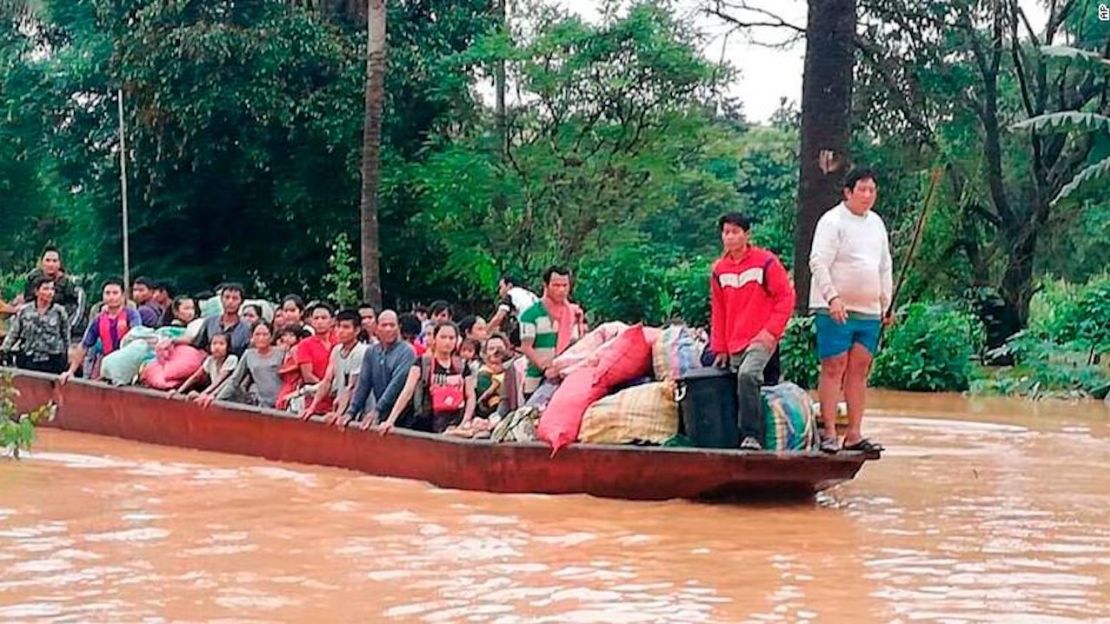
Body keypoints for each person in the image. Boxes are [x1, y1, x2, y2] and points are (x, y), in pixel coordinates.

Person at [809, 167, 892, 454]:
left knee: (859, 368)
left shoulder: (877, 224)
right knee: (834, 366)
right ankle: (830, 432)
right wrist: (832, 297)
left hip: (869, 310)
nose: (868, 195)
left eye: (872, 190)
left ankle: (855, 433)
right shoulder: (832, 221)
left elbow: (884, 266)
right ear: (848, 192)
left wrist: (887, 302)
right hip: (835, 307)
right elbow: (818, 261)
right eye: (862, 190)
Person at [709, 213, 796, 451]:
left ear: (747, 235)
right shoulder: (719, 270)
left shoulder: (766, 262)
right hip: (734, 340)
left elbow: (786, 298)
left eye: (735, 232)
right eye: (726, 232)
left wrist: (771, 332)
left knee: (747, 375)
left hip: (761, 337)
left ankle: (752, 435)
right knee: (732, 384)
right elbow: (719, 311)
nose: (730, 237)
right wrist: (720, 348)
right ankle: (736, 437)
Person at [383, 321, 476, 434]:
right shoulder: (422, 363)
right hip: (427, 423)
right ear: (435, 339)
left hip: (455, 422)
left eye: (451, 338)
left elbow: (470, 395)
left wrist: (465, 421)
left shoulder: (461, 365)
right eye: (443, 337)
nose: (447, 342)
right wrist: (390, 420)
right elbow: (407, 391)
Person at [344, 310, 417, 430]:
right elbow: (363, 383)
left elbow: (396, 384)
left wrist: (377, 409)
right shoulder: (371, 352)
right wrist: (351, 412)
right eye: (384, 325)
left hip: (405, 416)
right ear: (377, 328)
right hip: (382, 414)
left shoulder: (407, 351)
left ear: (399, 327)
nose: (388, 329)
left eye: (392, 325)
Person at [60, 278, 142, 384]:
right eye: (107, 293)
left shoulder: (131, 315)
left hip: (130, 367)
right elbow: (84, 345)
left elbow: (138, 337)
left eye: (115, 293)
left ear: (123, 296)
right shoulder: (98, 319)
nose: (111, 297)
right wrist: (70, 371)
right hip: (108, 366)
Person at [519, 266, 584, 397]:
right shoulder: (531, 314)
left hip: (565, 376)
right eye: (556, 285)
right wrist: (545, 366)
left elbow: (576, 344)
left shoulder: (573, 313)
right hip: (537, 378)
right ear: (546, 285)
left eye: (565, 285)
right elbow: (526, 347)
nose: (561, 290)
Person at [300, 310, 368, 424]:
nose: (340, 331)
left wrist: (338, 414)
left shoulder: (361, 352)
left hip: (360, 409)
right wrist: (312, 407)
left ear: (356, 330)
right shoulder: (336, 350)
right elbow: (327, 381)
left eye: (346, 327)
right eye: (338, 326)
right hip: (343, 407)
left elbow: (352, 387)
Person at [1, 276, 70, 373]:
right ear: (37, 292)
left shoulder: (59, 311)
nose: (50, 292)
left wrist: (67, 356)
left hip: (53, 359)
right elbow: (14, 333)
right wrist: (4, 350)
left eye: (52, 289)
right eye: (46, 289)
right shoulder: (25, 311)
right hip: (28, 358)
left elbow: (66, 335)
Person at [207, 322, 284, 408]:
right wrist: (216, 397)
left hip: (281, 400)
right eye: (257, 334)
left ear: (271, 336)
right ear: (252, 336)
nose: (261, 338)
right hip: (263, 403)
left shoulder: (281, 353)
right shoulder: (249, 355)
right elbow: (234, 380)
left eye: (265, 334)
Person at [279, 303, 335, 411]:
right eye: (316, 318)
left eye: (323, 318)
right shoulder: (305, 344)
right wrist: (326, 389)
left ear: (332, 321)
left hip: (337, 397)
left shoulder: (338, 342)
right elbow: (308, 376)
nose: (319, 321)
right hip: (315, 399)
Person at [186, 283, 252, 357]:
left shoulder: (247, 328)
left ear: (241, 302)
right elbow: (198, 345)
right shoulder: (210, 322)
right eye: (227, 297)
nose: (230, 302)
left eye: (235, 298)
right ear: (221, 299)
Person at [171, 333, 238, 402]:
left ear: (228, 347)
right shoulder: (210, 360)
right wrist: (179, 391)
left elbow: (220, 380)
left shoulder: (231, 359)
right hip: (212, 393)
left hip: (228, 395)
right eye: (214, 344)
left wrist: (203, 393)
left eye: (221, 344)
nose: (217, 347)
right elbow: (195, 377)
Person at [21, 245, 80, 314]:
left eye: (54, 261)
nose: (51, 264)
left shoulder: (67, 283)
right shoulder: (33, 278)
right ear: (42, 262)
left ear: (59, 263)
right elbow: (28, 300)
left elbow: (72, 306)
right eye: (47, 260)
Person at [488, 274, 539, 340]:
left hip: (528, 328)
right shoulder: (531, 295)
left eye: (501, 287)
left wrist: (486, 331)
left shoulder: (511, 293)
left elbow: (499, 317)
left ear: (509, 286)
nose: (499, 291)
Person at [474, 341, 507, 419]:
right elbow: (487, 392)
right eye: (491, 348)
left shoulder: (510, 369)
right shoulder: (484, 373)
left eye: (500, 348)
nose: (495, 351)